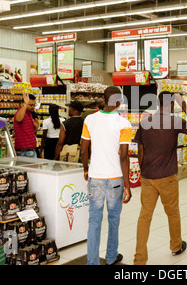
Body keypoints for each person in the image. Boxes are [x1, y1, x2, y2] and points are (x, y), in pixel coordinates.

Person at [133, 91, 187, 265]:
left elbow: (140, 151)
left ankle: (139, 259)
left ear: (157, 103)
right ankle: (176, 246)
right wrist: (183, 105)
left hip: (148, 176)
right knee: (172, 213)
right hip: (167, 177)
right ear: (172, 104)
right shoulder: (175, 121)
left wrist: (143, 172)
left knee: (144, 216)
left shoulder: (145, 121)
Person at [80, 86, 133, 265]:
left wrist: (86, 171)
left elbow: (83, 151)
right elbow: (124, 156)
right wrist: (127, 185)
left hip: (95, 178)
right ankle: (111, 257)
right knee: (114, 220)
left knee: (94, 221)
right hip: (115, 179)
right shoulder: (123, 124)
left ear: (104, 99)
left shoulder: (89, 119)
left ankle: (92, 262)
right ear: (118, 101)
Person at [14, 93, 39, 157]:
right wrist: (25, 104)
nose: (33, 107)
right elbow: (18, 118)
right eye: (31, 105)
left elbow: (29, 134)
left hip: (31, 150)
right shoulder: (21, 112)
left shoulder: (30, 114)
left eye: (34, 105)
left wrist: (36, 128)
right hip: (24, 152)